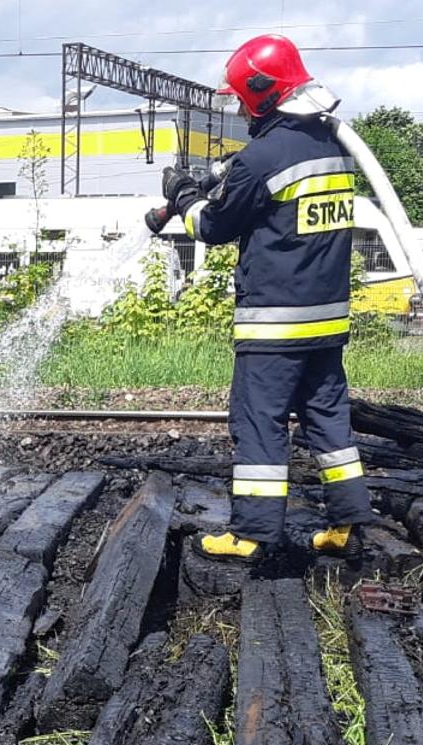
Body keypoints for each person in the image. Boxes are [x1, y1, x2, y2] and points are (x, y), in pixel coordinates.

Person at [162, 33, 372, 575]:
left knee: (259, 422)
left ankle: (252, 534)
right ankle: (348, 524)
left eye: (240, 99)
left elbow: (213, 227)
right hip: (327, 318)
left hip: (274, 323)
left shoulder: (262, 157)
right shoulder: (331, 145)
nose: (238, 108)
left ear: (262, 92)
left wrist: (183, 196)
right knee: (328, 420)